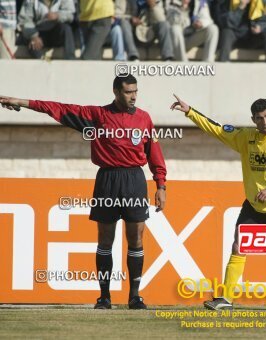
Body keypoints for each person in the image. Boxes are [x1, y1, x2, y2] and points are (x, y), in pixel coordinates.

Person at [0, 74, 167, 310]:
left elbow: (154, 153)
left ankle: (134, 296)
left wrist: (161, 184)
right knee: (105, 240)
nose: (133, 96)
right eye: (129, 92)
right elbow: (57, 108)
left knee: (136, 238)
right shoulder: (97, 116)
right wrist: (22, 102)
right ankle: (105, 297)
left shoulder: (144, 118)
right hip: (107, 180)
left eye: (135, 91)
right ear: (116, 92)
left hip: (134, 179)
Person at [171, 95, 266, 310]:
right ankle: (226, 299)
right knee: (239, 248)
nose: (265, 122)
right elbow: (216, 129)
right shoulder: (245, 137)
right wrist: (190, 111)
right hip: (254, 207)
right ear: (253, 119)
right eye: (259, 118)